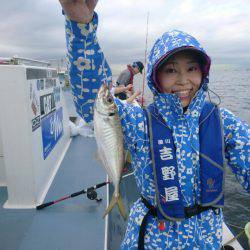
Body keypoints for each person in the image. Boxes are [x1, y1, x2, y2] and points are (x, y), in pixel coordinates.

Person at [59, 1, 250, 249]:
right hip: (150, 239)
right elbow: (91, 100)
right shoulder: (139, 120)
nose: (183, 81)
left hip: (207, 240)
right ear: (155, 77)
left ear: (203, 72)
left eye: (192, 68)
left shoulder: (223, 121)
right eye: (171, 70)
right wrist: (80, 25)